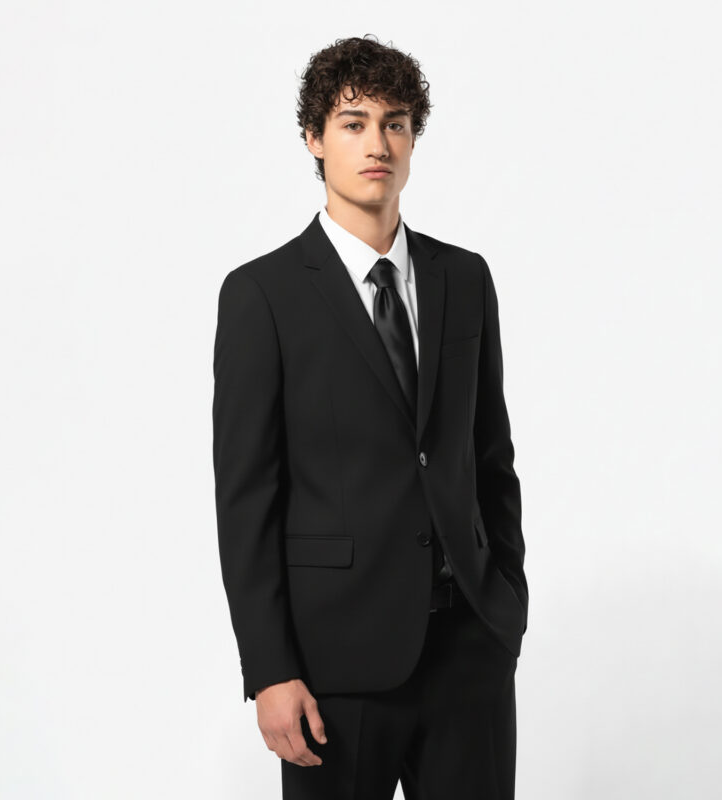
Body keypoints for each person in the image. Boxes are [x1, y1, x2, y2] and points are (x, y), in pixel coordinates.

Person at [212, 34, 528, 799]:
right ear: (314, 139)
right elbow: (247, 501)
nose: (377, 144)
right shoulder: (263, 296)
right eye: (353, 123)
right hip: (334, 666)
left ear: (413, 137)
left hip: (468, 653)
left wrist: (506, 606)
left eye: (395, 123)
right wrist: (270, 670)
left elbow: (490, 456)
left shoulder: (464, 278)